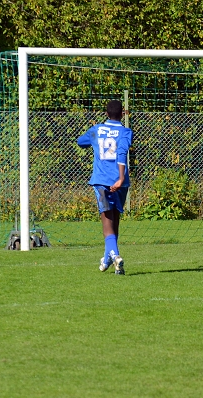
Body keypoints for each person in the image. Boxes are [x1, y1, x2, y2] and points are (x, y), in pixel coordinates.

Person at [77, 100, 132, 275]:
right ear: (122, 114)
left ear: (106, 114)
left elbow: (80, 141)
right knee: (115, 220)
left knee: (107, 222)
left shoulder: (96, 130)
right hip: (120, 183)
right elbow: (122, 152)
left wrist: (93, 138)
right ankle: (109, 260)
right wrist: (121, 178)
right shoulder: (125, 131)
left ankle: (115, 256)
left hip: (102, 181)